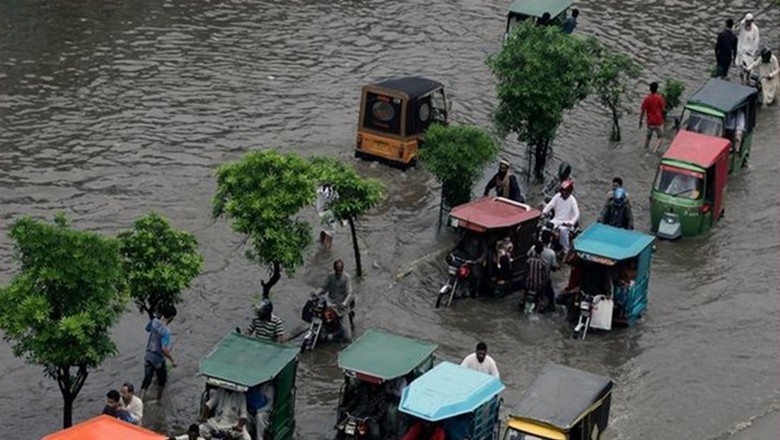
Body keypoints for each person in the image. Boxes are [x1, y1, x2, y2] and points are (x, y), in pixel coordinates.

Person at [140, 304, 177, 401]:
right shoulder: (166, 331)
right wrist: (172, 360)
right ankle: (158, 400)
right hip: (158, 359)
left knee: (147, 379)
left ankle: (141, 399)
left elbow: (147, 329)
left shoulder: (154, 322)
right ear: (171, 317)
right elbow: (163, 348)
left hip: (148, 354)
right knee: (162, 380)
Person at [313, 259, 355, 342]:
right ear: (334, 269)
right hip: (331, 302)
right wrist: (316, 293)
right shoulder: (330, 276)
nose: (338, 273)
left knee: (347, 337)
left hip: (341, 306)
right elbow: (323, 288)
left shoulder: (346, 278)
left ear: (342, 269)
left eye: (340, 270)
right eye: (337, 270)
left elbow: (350, 292)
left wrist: (344, 303)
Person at [542, 178, 580, 254]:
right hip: (556, 220)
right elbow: (550, 205)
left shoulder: (572, 200)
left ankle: (566, 249)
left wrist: (571, 222)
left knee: (563, 232)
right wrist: (543, 212)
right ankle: (544, 244)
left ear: (569, 192)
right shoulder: (557, 196)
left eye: (565, 192)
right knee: (544, 228)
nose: (564, 193)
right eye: (563, 191)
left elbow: (577, 214)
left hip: (566, 223)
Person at [639, 82, 666, 152]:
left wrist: (640, 120)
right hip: (658, 121)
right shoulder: (659, 98)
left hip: (650, 122)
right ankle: (655, 150)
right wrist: (664, 119)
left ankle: (645, 149)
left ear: (650, 89)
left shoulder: (647, 99)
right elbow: (663, 110)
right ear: (657, 89)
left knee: (648, 138)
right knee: (660, 137)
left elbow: (642, 110)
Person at [525, 243, 552, 311]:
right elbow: (545, 276)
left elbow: (526, 273)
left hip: (528, 285)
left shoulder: (529, 261)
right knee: (548, 281)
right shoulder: (544, 262)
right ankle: (544, 302)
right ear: (542, 250)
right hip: (538, 287)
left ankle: (523, 298)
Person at [736, 13, 760, 84]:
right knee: (740, 67)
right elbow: (736, 28)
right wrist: (743, 22)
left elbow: (756, 41)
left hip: (749, 52)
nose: (748, 23)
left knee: (749, 68)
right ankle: (741, 81)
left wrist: (753, 51)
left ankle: (748, 80)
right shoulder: (742, 27)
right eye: (747, 21)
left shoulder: (755, 29)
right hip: (741, 50)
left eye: (749, 21)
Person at [315, 184, 339, 249]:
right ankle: (326, 253)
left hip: (320, 212)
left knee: (323, 230)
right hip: (329, 213)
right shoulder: (333, 190)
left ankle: (320, 245)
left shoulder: (321, 189)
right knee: (329, 235)